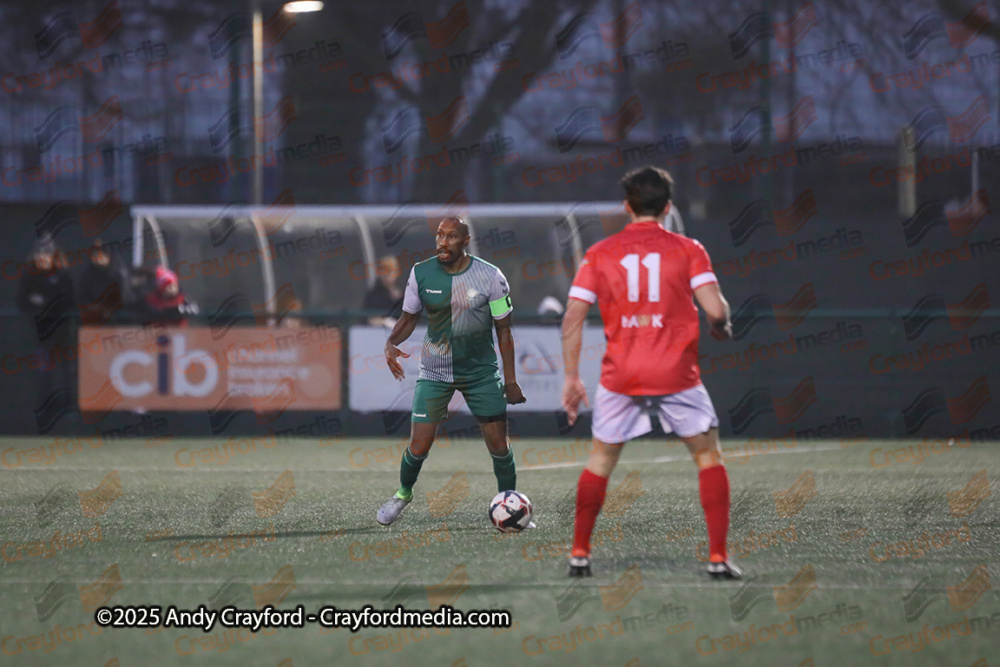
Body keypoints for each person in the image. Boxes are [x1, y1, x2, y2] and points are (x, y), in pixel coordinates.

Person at [560, 166, 740, 579]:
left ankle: (580, 554)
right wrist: (720, 324)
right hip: (677, 372)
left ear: (627, 206)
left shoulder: (599, 253)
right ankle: (716, 558)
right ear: (668, 207)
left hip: (621, 374)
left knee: (601, 460)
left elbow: (573, 317)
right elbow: (715, 309)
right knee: (708, 457)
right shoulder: (689, 248)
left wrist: (571, 376)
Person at [377, 217, 527, 526]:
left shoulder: (491, 276)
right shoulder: (421, 273)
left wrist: (510, 380)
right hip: (435, 371)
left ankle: (510, 504)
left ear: (465, 240)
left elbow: (505, 331)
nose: (443, 242)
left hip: (481, 373)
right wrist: (391, 341)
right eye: (439, 236)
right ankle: (402, 494)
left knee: (499, 445)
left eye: (451, 236)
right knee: (419, 445)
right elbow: (408, 318)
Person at [17, 234, 77, 409]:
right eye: (39, 254)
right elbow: (22, 301)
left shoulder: (62, 273)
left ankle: (68, 408)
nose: (42, 257)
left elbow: (68, 299)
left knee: (66, 372)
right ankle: (46, 407)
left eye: (46, 253)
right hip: (41, 335)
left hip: (63, 333)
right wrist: (37, 303)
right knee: (44, 372)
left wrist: (44, 301)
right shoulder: (30, 275)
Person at [78, 239, 123, 326]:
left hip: (117, 317)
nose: (98, 258)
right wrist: (96, 308)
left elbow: (123, 297)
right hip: (93, 315)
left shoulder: (118, 273)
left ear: (108, 256)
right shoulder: (87, 274)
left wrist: (109, 308)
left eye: (101, 255)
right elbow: (82, 297)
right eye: (95, 255)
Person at [364, 255, 405, 326]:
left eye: (389, 272)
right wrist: (383, 321)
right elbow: (367, 318)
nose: (386, 276)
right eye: (383, 272)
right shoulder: (373, 295)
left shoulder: (403, 293)